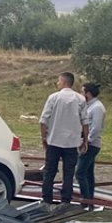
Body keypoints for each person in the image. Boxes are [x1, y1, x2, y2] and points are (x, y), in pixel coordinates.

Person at [38, 72, 89, 205]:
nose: (57, 83)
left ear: (64, 82)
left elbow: (43, 120)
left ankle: (46, 199)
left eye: (58, 81)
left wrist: (44, 137)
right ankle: (66, 200)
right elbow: (85, 122)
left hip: (54, 140)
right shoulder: (80, 99)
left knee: (49, 171)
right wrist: (85, 140)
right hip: (71, 142)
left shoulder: (53, 97)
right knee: (69, 173)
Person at [77, 82, 107, 209]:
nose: (80, 94)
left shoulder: (97, 108)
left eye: (82, 91)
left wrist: (86, 142)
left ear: (87, 93)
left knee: (80, 173)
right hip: (88, 142)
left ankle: (85, 200)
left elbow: (96, 128)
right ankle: (90, 201)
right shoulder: (90, 106)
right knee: (88, 173)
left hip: (91, 144)